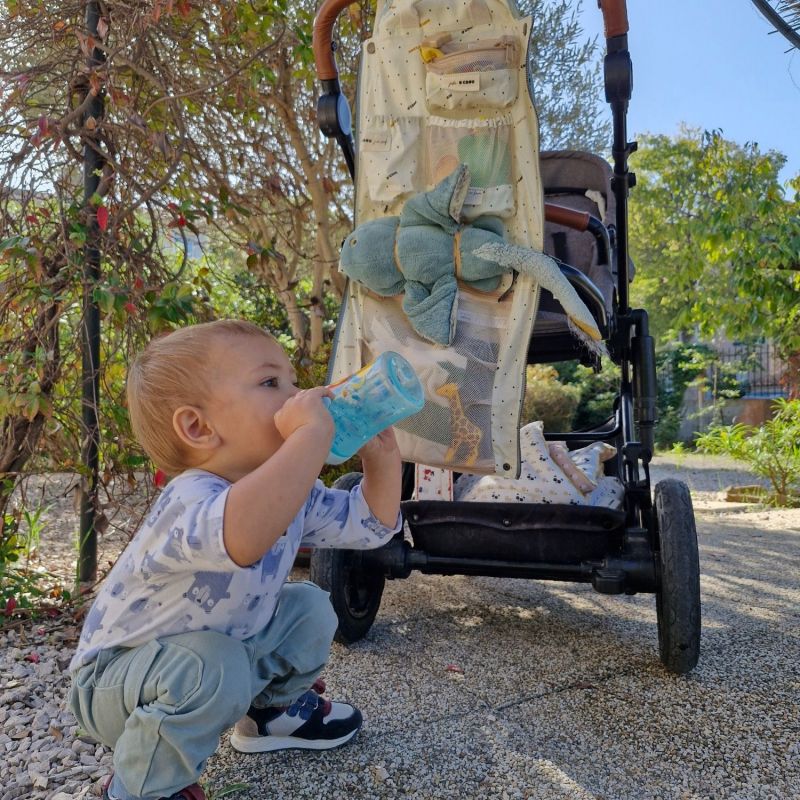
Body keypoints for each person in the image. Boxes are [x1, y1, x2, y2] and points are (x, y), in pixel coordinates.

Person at [68, 319, 402, 800]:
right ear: (199, 428)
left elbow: (369, 526)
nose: (297, 395)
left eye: (292, 380)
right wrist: (309, 438)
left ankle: (270, 715)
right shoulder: (189, 497)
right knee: (214, 665)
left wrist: (381, 459)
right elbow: (241, 537)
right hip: (114, 683)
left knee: (309, 609)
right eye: (271, 383)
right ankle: (142, 788)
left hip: (211, 659)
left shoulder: (290, 490)